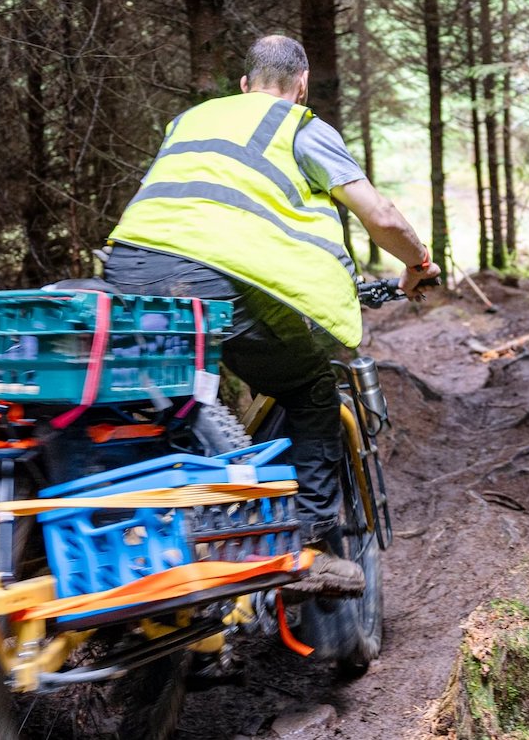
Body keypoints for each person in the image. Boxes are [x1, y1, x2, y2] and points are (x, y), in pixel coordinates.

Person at [104, 34, 440, 596]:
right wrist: (418, 264)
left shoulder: (191, 121)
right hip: (215, 281)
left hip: (130, 267)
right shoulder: (301, 126)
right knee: (310, 390)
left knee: (166, 400)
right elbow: (380, 217)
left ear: (243, 86)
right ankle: (305, 549)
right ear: (301, 84)